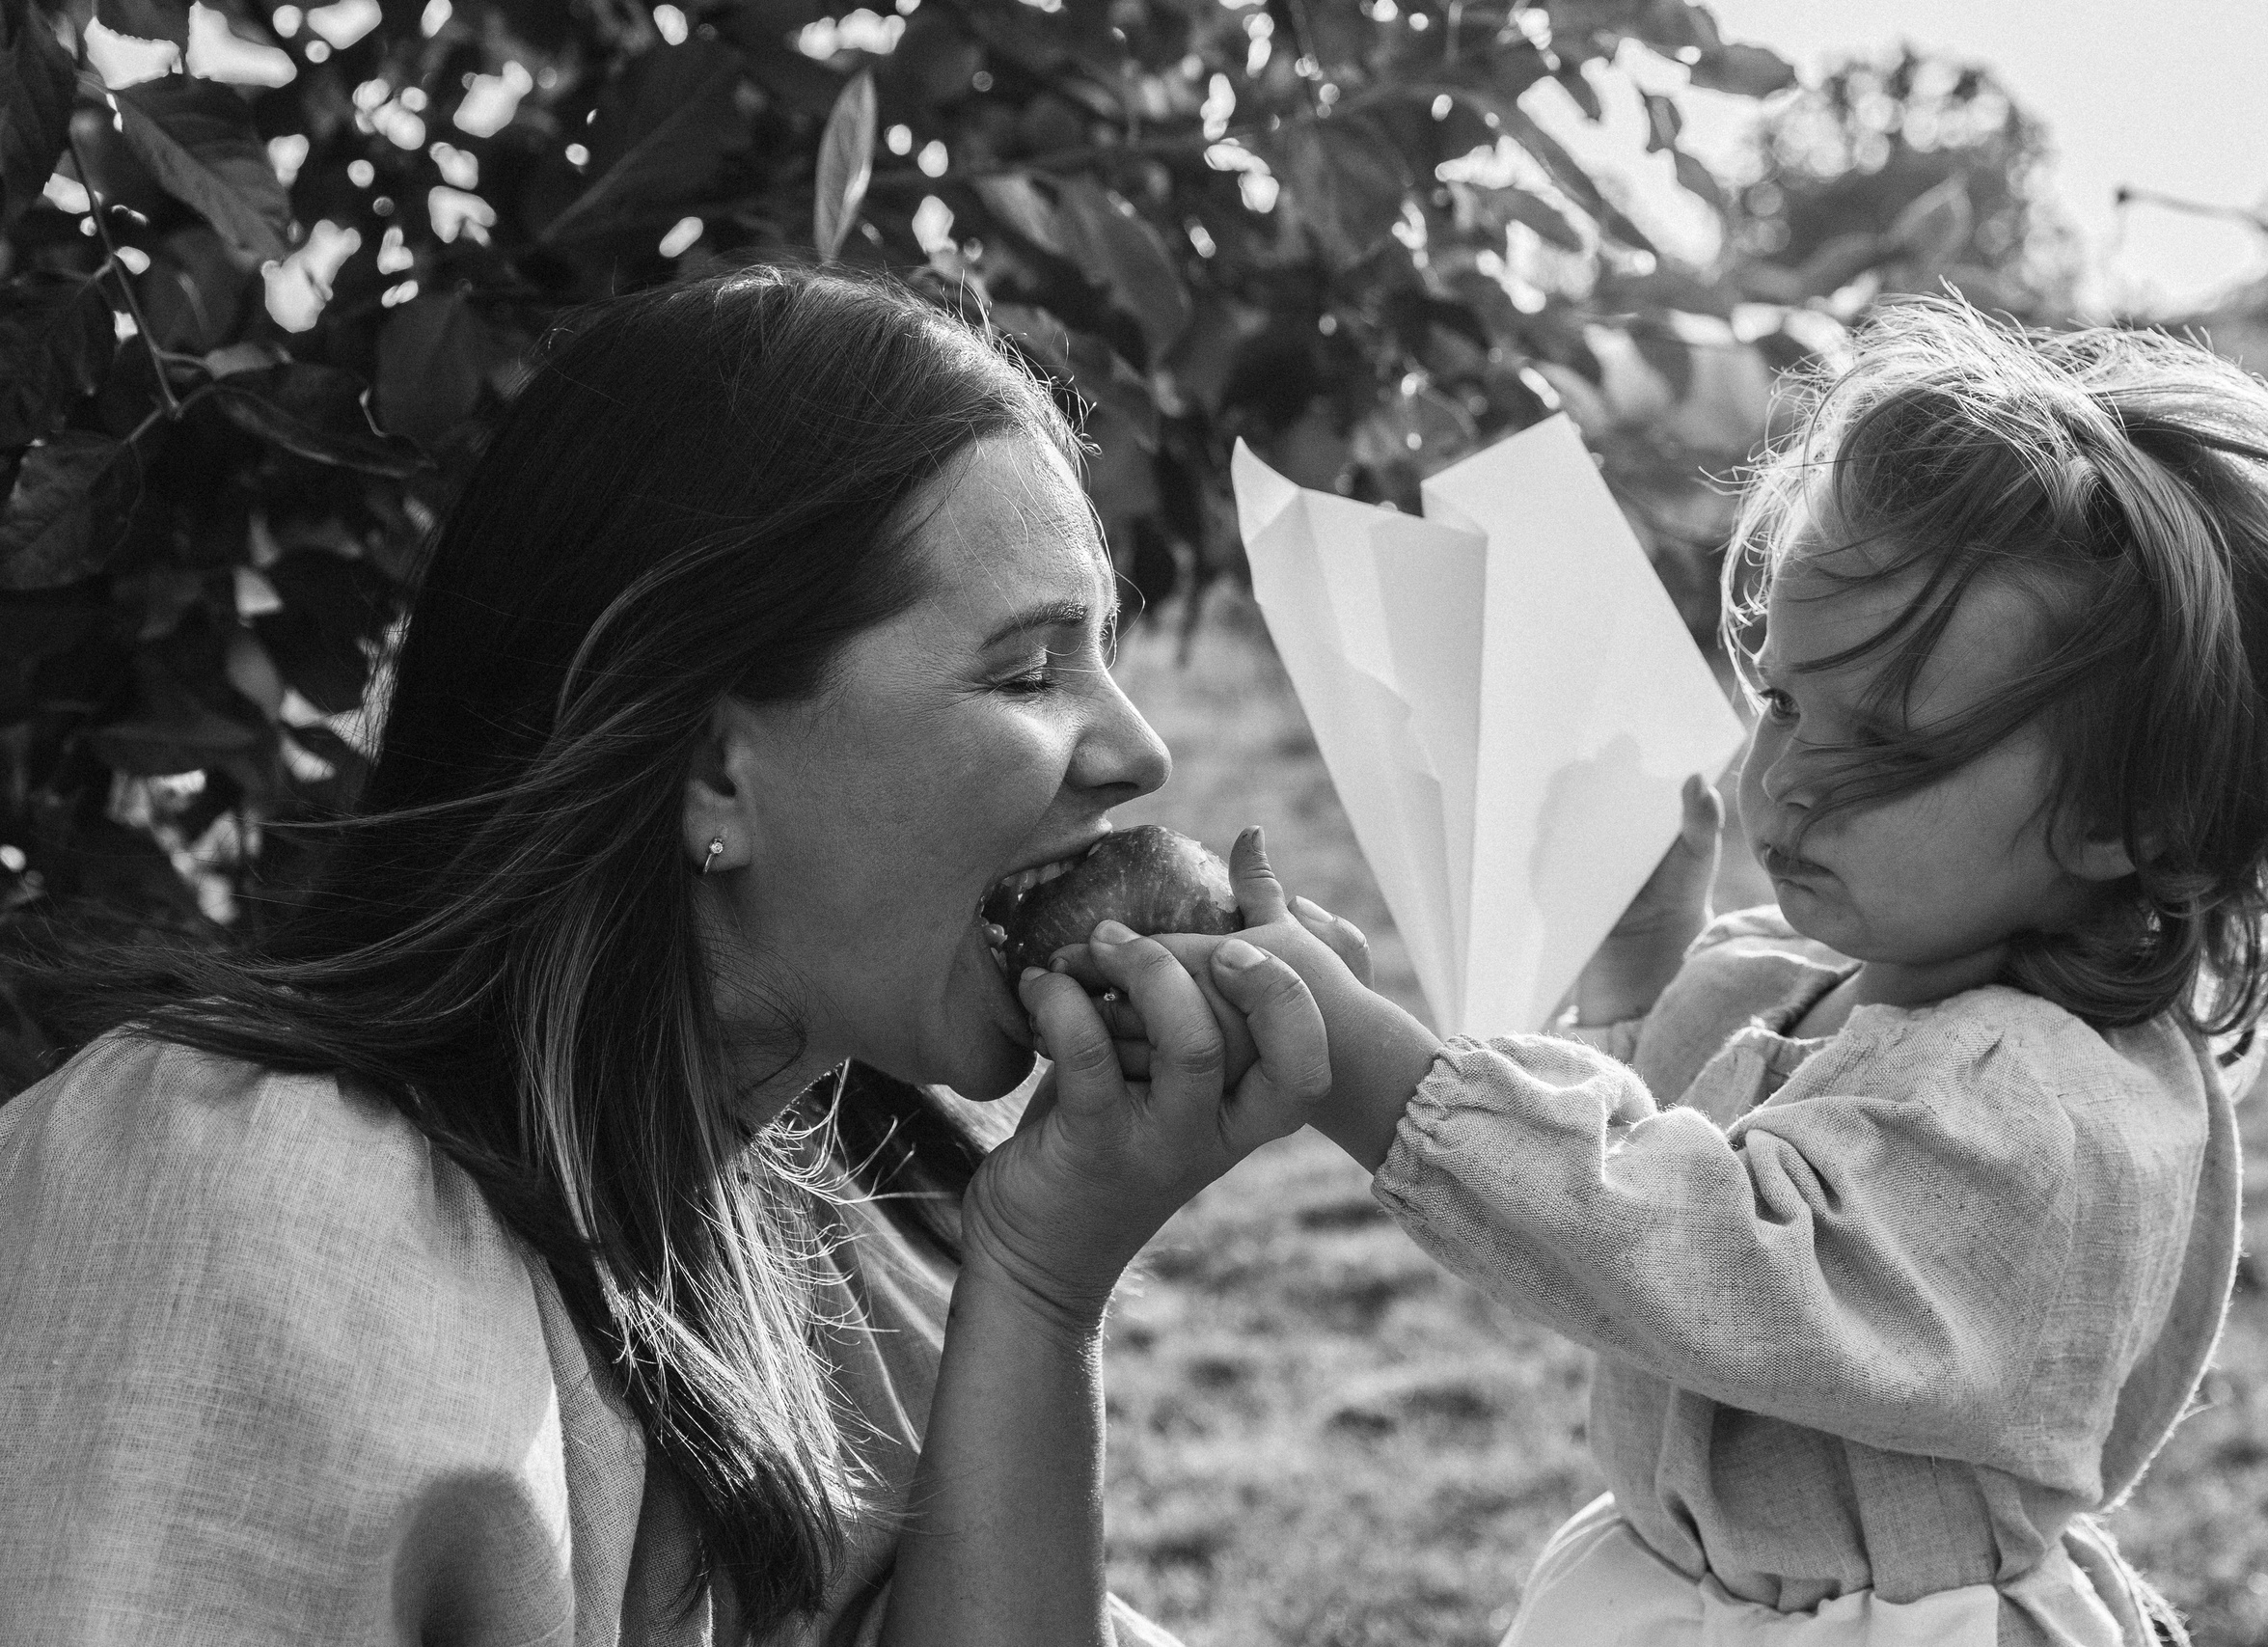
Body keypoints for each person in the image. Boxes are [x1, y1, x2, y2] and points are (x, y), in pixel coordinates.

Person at [0, 266, 1334, 1646]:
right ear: (711, 770)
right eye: (1027, 671)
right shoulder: (243, 1212)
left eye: (1100, 657)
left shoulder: (843, 1264)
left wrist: (1048, 1284)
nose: (1141, 753)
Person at [1071, 300, 2268, 1644]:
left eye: (1886, 750)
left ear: (2134, 816)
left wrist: (1374, 1075)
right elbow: (1648, 1154)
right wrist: (1642, 972)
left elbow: (1715, 1259)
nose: (1790, 783)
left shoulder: (2051, 1110)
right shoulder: (1797, 978)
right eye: (1787, 699)